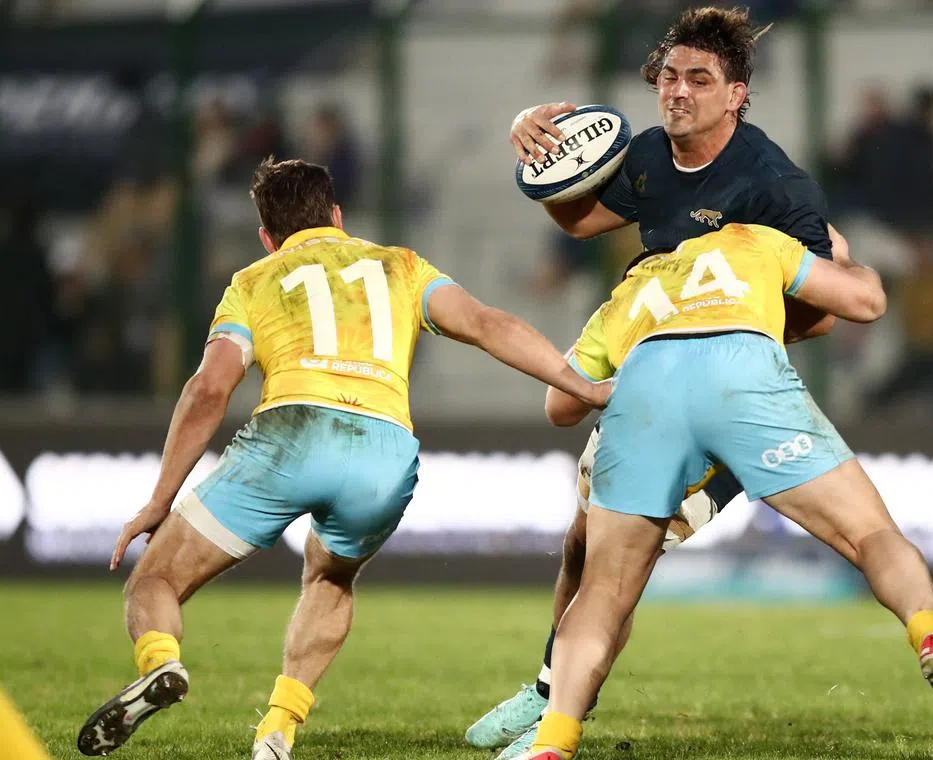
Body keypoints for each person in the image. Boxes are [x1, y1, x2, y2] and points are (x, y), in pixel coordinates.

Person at [75, 158, 610, 760]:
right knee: (330, 575)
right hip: (385, 449)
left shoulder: (255, 279)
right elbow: (488, 324)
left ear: (267, 236)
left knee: (155, 580)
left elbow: (208, 389)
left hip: (293, 431)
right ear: (336, 215)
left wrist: (159, 499)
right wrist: (582, 387)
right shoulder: (401, 266)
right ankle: (277, 729)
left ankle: (161, 662)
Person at [466, 7, 851, 757]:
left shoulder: (775, 187)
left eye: (697, 79)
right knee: (584, 541)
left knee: (623, 559)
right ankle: (548, 688)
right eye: (668, 76)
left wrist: (730, 330)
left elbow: (828, 315)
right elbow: (579, 222)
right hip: (652, 384)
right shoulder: (648, 156)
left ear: (737, 94)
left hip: (730, 401)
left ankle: (557, 726)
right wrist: (534, 144)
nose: (676, 91)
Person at [521, 222, 933, 759]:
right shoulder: (750, 239)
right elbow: (863, 303)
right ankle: (929, 632)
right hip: (744, 370)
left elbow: (559, 408)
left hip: (646, 383)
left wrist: (608, 384)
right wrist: (848, 260)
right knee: (870, 534)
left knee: (602, 590)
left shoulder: (623, 297)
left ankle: (553, 742)